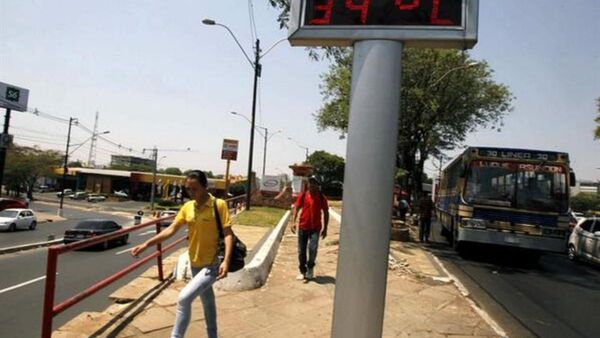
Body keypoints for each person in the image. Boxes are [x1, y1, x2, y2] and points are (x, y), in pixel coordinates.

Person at [131, 170, 233, 338]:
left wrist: (226, 261)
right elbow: (171, 229)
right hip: (194, 263)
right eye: (188, 189)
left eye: (195, 189)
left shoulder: (218, 205)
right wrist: (147, 244)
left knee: (184, 299)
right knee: (208, 302)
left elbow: (228, 234)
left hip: (212, 263)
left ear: (205, 187)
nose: (191, 193)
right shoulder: (187, 207)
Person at [291, 176, 329, 281]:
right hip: (303, 227)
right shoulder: (303, 195)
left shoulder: (322, 198)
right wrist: (293, 222)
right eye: (310, 183)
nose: (312, 185)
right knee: (301, 251)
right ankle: (302, 270)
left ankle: (310, 267)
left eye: (314, 183)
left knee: (313, 249)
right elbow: (296, 208)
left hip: (315, 228)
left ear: (318, 185)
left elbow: (326, 213)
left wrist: (325, 228)